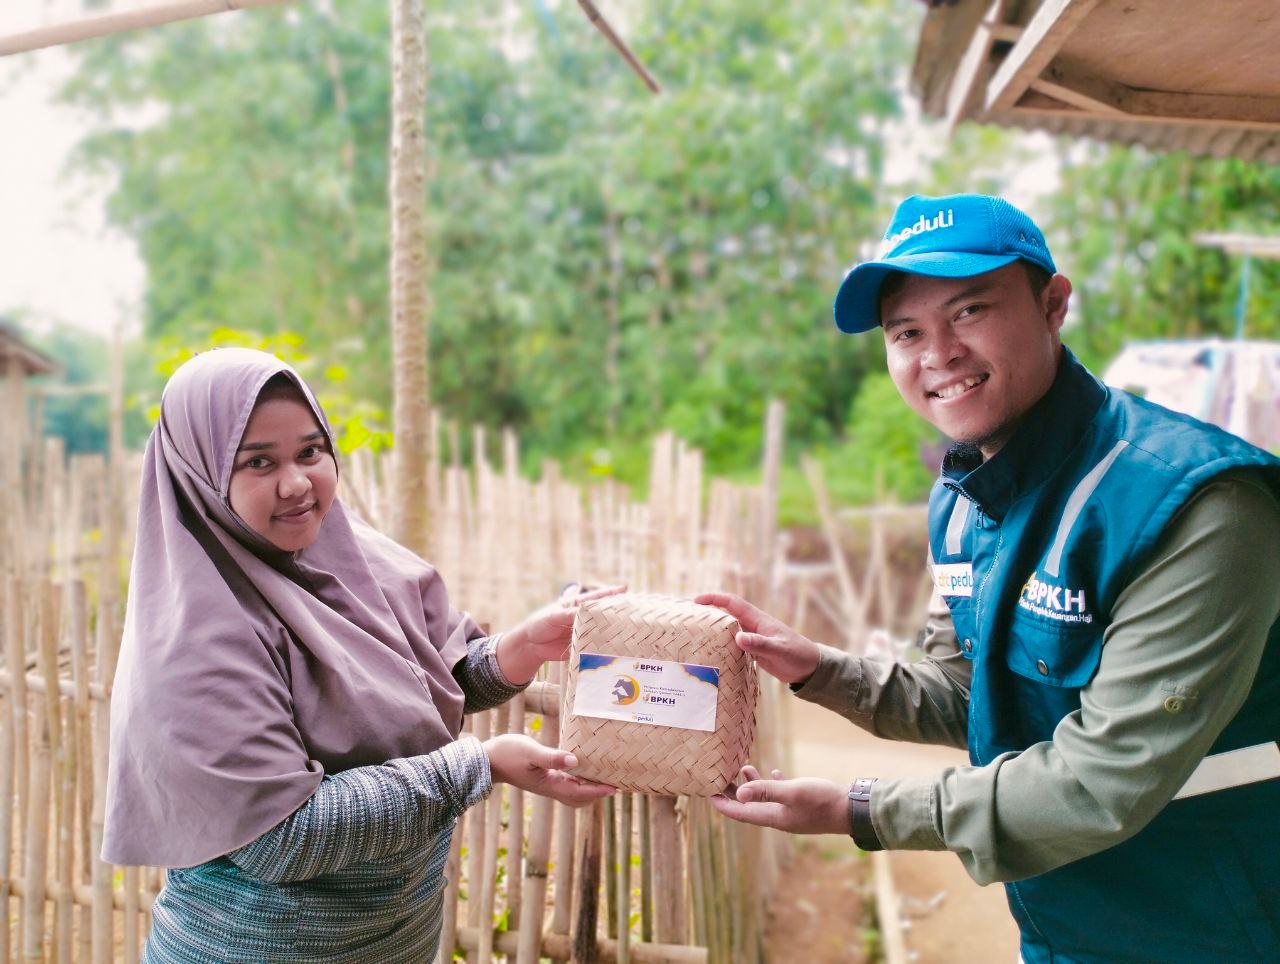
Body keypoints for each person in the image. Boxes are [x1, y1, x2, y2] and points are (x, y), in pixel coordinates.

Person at [702, 194, 1280, 962]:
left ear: (1053, 304)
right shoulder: (965, 501)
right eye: (905, 331)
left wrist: (861, 809)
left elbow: (1102, 781)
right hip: (1066, 919)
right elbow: (975, 695)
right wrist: (819, 671)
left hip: (1214, 925)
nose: (936, 352)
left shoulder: (1195, 508)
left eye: (969, 310)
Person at [103, 347, 616, 962]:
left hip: (397, 938)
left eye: (310, 451)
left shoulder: (354, 558)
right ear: (202, 476)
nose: (296, 483)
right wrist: (481, 766)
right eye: (258, 462)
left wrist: (522, 647)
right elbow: (279, 837)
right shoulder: (197, 638)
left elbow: (424, 685)